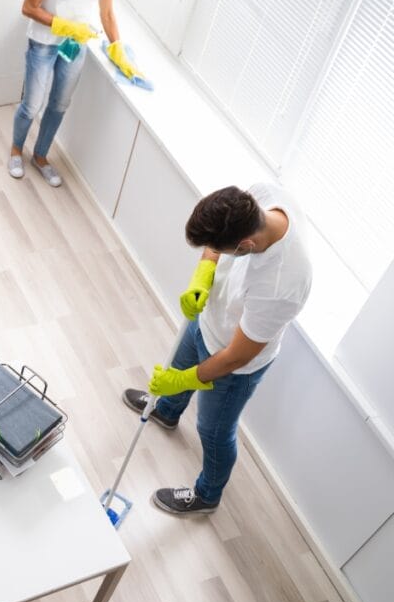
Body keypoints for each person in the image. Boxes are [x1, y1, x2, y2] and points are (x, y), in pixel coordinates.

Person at [123, 185, 312, 515]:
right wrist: (203, 275)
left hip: (233, 363)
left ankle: (207, 494)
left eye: (222, 251)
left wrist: (183, 380)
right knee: (178, 367)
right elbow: (215, 242)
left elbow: (237, 356)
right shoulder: (261, 197)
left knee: (213, 431)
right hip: (208, 320)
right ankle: (167, 410)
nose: (214, 251)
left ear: (245, 246)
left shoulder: (283, 283)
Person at [9, 0, 139, 187]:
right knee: (32, 105)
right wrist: (65, 26)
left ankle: (40, 156)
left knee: (59, 104)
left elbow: (106, 13)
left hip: (74, 45)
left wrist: (118, 48)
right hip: (44, 42)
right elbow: (28, 7)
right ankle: (16, 151)